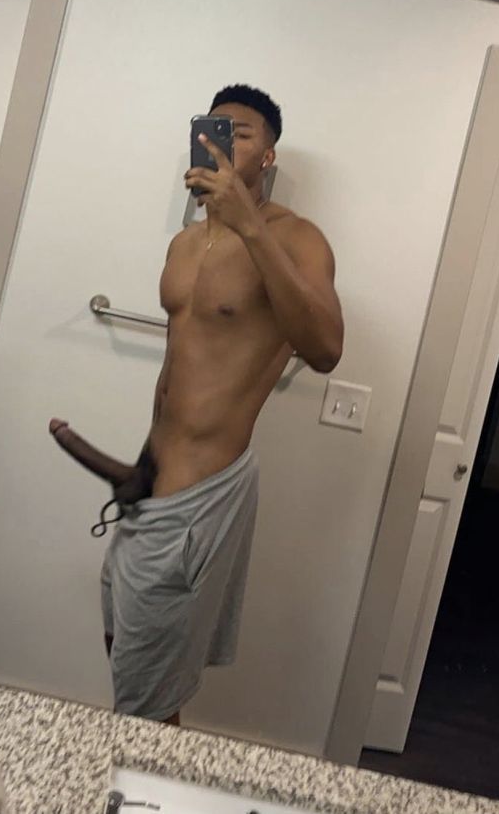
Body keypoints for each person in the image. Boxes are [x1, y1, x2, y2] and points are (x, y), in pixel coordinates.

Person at [50, 84, 344, 725]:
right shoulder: (185, 244)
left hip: (196, 501)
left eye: (240, 132)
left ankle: (142, 777)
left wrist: (249, 225)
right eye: (212, 128)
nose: (220, 141)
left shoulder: (298, 239)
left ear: (269, 156)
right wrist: (138, 469)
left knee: (146, 705)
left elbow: (325, 350)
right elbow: (179, 374)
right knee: (126, 653)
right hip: (149, 487)